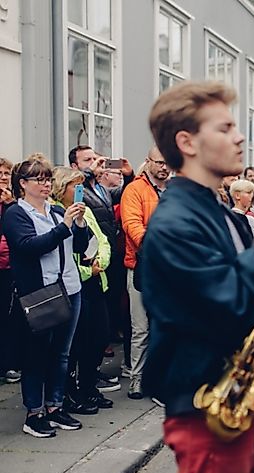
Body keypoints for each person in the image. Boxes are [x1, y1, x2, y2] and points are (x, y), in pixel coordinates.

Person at [141, 81, 254, 473]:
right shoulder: (173, 223)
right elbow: (228, 307)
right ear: (187, 142)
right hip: (207, 408)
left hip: (251, 401)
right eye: (225, 128)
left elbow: (243, 295)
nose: (240, 136)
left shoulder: (223, 213)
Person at [4, 155, 90, 438]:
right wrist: (64, 226)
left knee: (61, 354)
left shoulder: (55, 210)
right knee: (36, 355)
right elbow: (29, 246)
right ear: (23, 184)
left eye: (48, 179)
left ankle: (55, 406)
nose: (46, 184)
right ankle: (34, 412)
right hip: (41, 293)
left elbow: (78, 246)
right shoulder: (16, 214)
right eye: (39, 179)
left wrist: (78, 224)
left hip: (69, 288)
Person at [52, 167, 114, 412]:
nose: (80, 191)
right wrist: (89, 269)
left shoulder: (85, 211)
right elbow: (69, 252)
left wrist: (102, 261)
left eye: (81, 186)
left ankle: (89, 386)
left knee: (99, 336)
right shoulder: (57, 211)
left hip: (97, 280)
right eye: (75, 186)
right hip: (77, 283)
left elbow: (102, 239)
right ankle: (70, 392)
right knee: (77, 343)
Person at [68, 146, 134, 351]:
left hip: (108, 252)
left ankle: (103, 343)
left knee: (110, 303)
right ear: (74, 166)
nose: (95, 163)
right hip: (88, 254)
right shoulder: (78, 189)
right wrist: (88, 173)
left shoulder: (101, 189)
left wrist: (129, 175)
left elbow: (123, 195)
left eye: (96, 159)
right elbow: (71, 186)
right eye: (87, 160)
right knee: (93, 314)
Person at [121, 148, 168, 399]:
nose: (164, 167)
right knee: (141, 327)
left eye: (167, 163)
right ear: (148, 162)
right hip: (142, 266)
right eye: (159, 163)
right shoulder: (135, 189)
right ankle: (136, 378)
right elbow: (132, 226)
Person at [0, 157, 23, 385]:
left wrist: (10, 203)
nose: (3, 179)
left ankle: (8, 364)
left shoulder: (13, 205)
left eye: (6, 175)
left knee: (8, 317)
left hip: (8, 267)